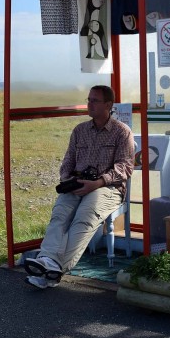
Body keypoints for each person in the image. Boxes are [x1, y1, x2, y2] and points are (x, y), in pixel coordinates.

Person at [24, 85, 134, 289]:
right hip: (78, 184)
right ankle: (47, 262)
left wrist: (98, 182)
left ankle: (54, 267)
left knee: (84, 217)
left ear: (108, 105)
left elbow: (125, 167)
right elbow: (67, 162)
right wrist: (68, 181)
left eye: (95, 100)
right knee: (60, 213)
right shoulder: (80, 130)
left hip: (107, 187)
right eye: (89, 99)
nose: (89, 104)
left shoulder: (121, 132)